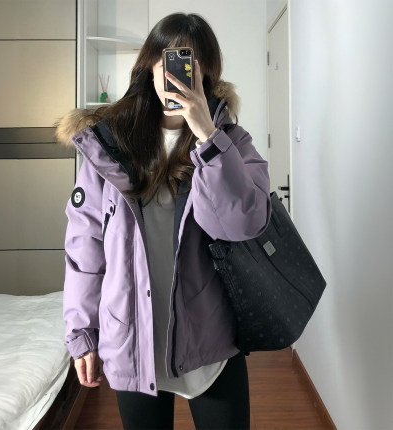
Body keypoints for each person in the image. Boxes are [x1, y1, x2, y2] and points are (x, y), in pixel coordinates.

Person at [55, 12, 271, 430]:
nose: (178, 74)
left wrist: (208, 137)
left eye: (191, 63)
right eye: (169, 60)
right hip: (132, 338)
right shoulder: (108, 144)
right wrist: (82, 332)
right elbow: (85, 247)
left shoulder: (231, 142)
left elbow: (241, 224)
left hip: (209, 338)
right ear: (150, 67)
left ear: (207, 73)